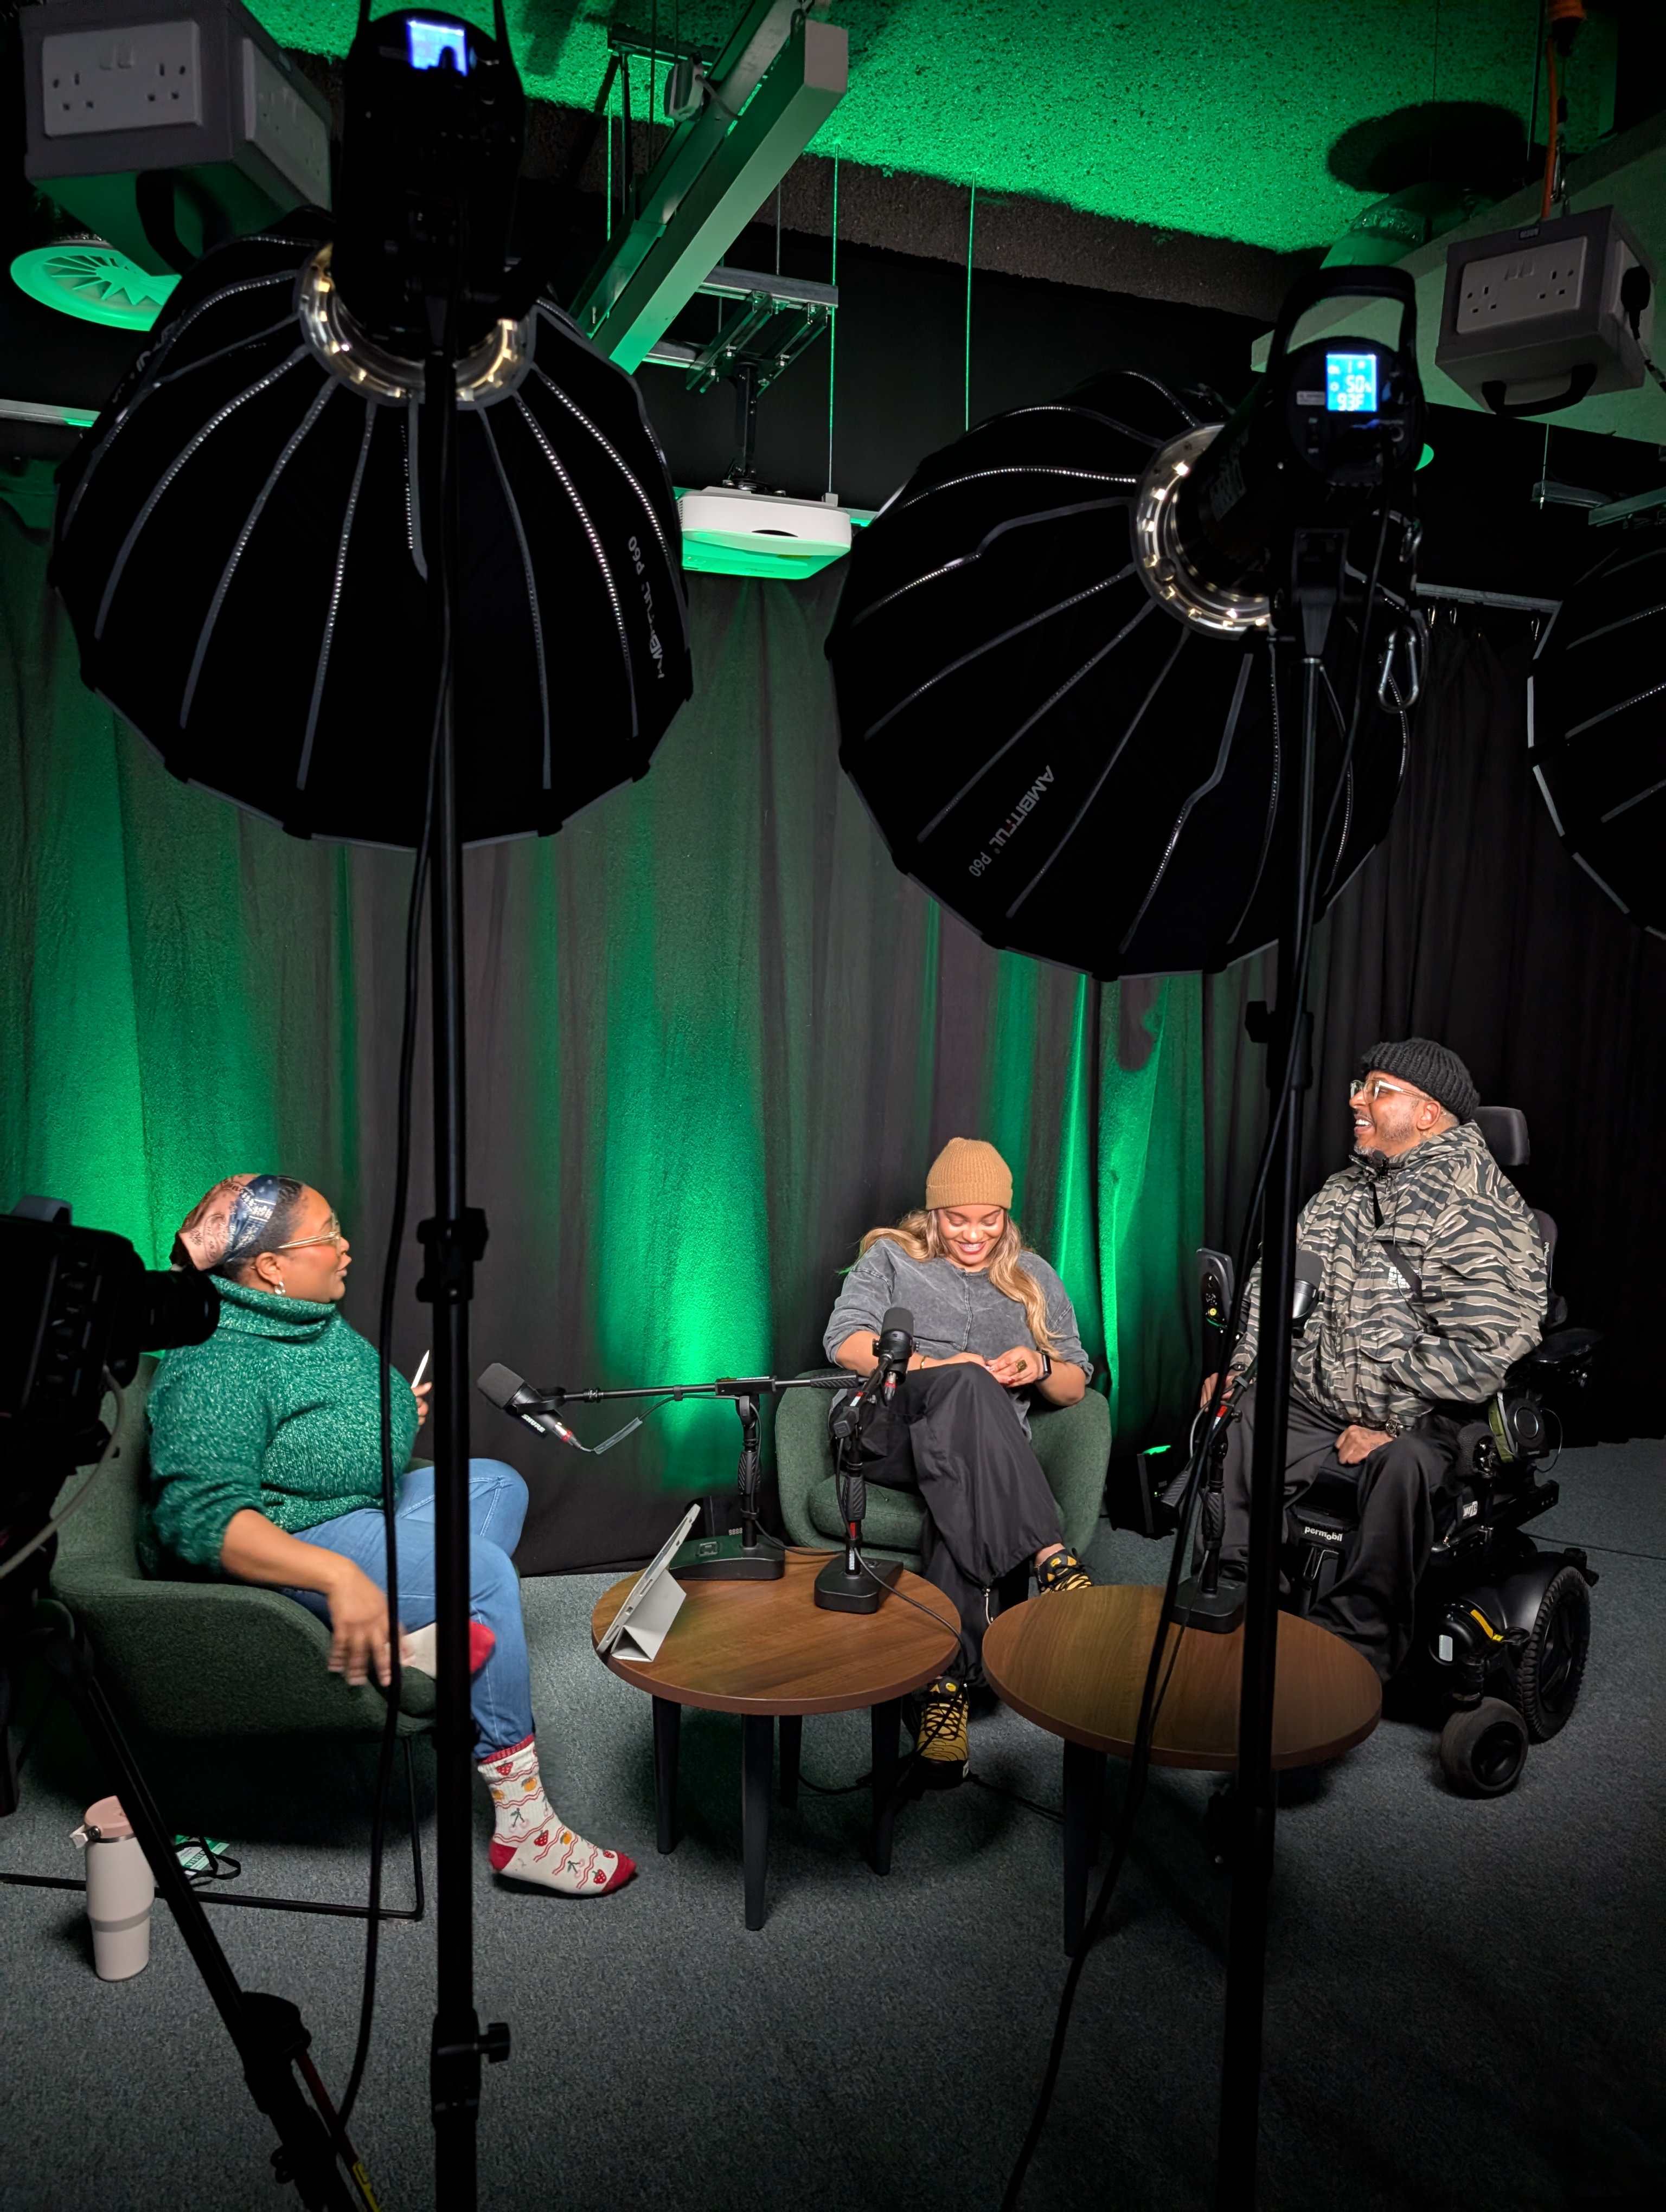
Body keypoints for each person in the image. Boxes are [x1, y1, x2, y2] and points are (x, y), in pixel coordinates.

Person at [144, 1173, 633, 1896]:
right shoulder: (216, 1359)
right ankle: (525, 1827)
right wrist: (339, 1576)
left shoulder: (301, 1313)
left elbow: (324, 1411)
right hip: (296, 1535)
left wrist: (394, 1413)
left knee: (499, 1484)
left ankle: (425, 1641)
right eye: (327, 1235)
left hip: (354, 1501)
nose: (346, 1247)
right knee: (484, 1574)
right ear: (271, 1267)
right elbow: (199, 1518)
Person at [1205, 1039, 1548, 1680]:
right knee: (1241, 1418)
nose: (1355, 1099)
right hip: (1324, 1399)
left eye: (1378, 1089)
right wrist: (1243, 1365)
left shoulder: (1475, 1207)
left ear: (1427, 1112)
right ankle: (1242, 1590)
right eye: (1359, 1086)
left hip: (1427, 1418)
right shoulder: (1342, 1192)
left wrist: (1394, 1424)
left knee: (1405, 1465)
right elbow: (1273, 1287)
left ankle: (1354, 1649)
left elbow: (1483, 1347)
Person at [823, 1137, 1098, 1786]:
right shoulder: (891, 1258)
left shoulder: (1034, 1275)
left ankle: (943, 1698)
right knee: (969, 1386)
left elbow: (1076, 1385)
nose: (974, 1234)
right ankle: (1048, 1558)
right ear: (933, 1214)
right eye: (957, 1219)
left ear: (1006, 1217)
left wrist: (1040, 1365)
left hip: (974, 1459)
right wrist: (940, 1366)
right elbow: (845, 1342)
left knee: (959, 1495)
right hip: (888, 1430)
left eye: (989, 1219)